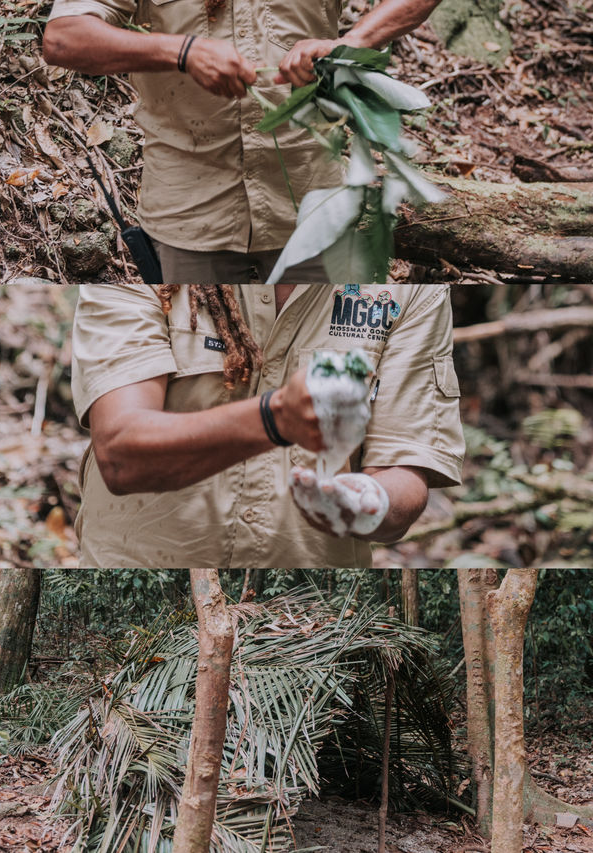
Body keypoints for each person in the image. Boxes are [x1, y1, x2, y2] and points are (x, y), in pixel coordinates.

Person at [42, 0, 442, 283]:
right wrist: (181, 51)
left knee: (319, 357)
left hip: (311, 202)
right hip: (191, 211)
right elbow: (64, 38)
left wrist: (353, 42)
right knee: (206, 360)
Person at [71, 284, 465, 568]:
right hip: (141, 570)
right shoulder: (139, 255)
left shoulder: (406, 285)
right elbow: (121, 454)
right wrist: (274, 418)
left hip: (311, 601)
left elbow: (405, 469)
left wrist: (367, 501)